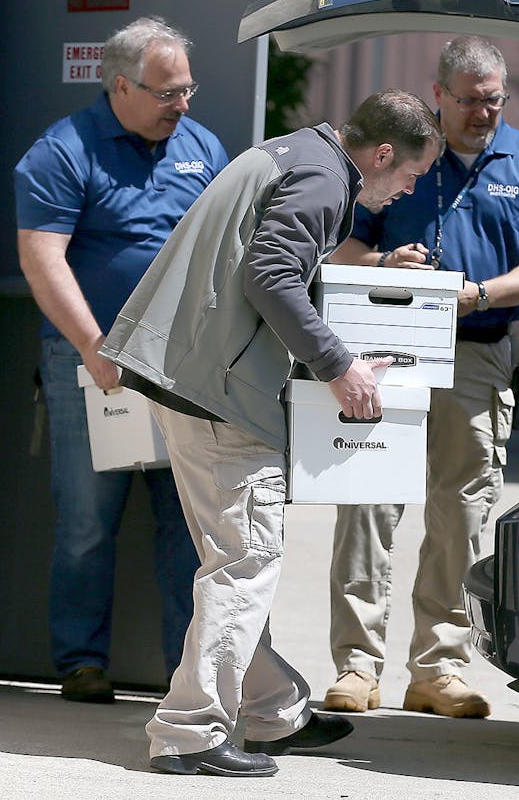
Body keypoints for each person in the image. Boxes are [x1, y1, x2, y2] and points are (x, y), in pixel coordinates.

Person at [101, 89, 446, 776]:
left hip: (193, 377)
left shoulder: (297, 153)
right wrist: (337, 365)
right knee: (246, 562)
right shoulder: (324, 179)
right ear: (382, 154)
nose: (407, 190)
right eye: (409, 175)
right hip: (219, 393)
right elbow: (269, 274)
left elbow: (258, 275)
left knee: (236, 562)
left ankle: (274, 709)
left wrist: (336, 357)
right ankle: (189, 730)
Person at [322, 36, 519, 719]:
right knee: (368, 502)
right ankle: (357, 664)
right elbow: (342, 248)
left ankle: (437, 667)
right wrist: (382, 264)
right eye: (468, 101)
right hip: (389, 350)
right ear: (438, 94)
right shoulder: (405, 150)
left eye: (493, 100)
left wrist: (481, 291)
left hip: (478, 349)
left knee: (461, 511)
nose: (481, 113)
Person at [14, 16, 228, 704]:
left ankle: (183, 671)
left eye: (188, 90)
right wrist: (91, 344)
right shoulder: (64, 150)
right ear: (119, 86)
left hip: (180, 370)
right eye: (168, 93)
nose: (182, 106)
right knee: (85, 520)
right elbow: (42, 257)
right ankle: (81, 662)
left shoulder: (202, 147)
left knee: (185, 524)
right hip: (94, 364)